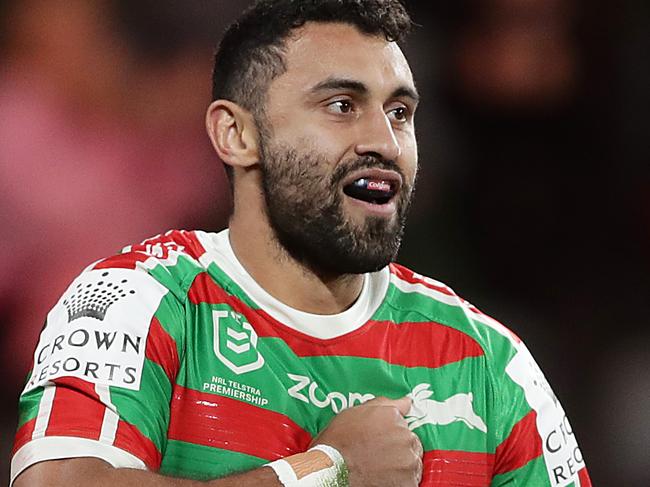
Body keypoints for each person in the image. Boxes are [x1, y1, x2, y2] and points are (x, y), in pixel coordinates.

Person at [10, 1, 592, 486]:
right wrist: (323, 472)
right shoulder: (142, 299)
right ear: (236, 135)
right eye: (342, 106)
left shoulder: (487, 364)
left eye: (400, 112)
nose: (384, 141)